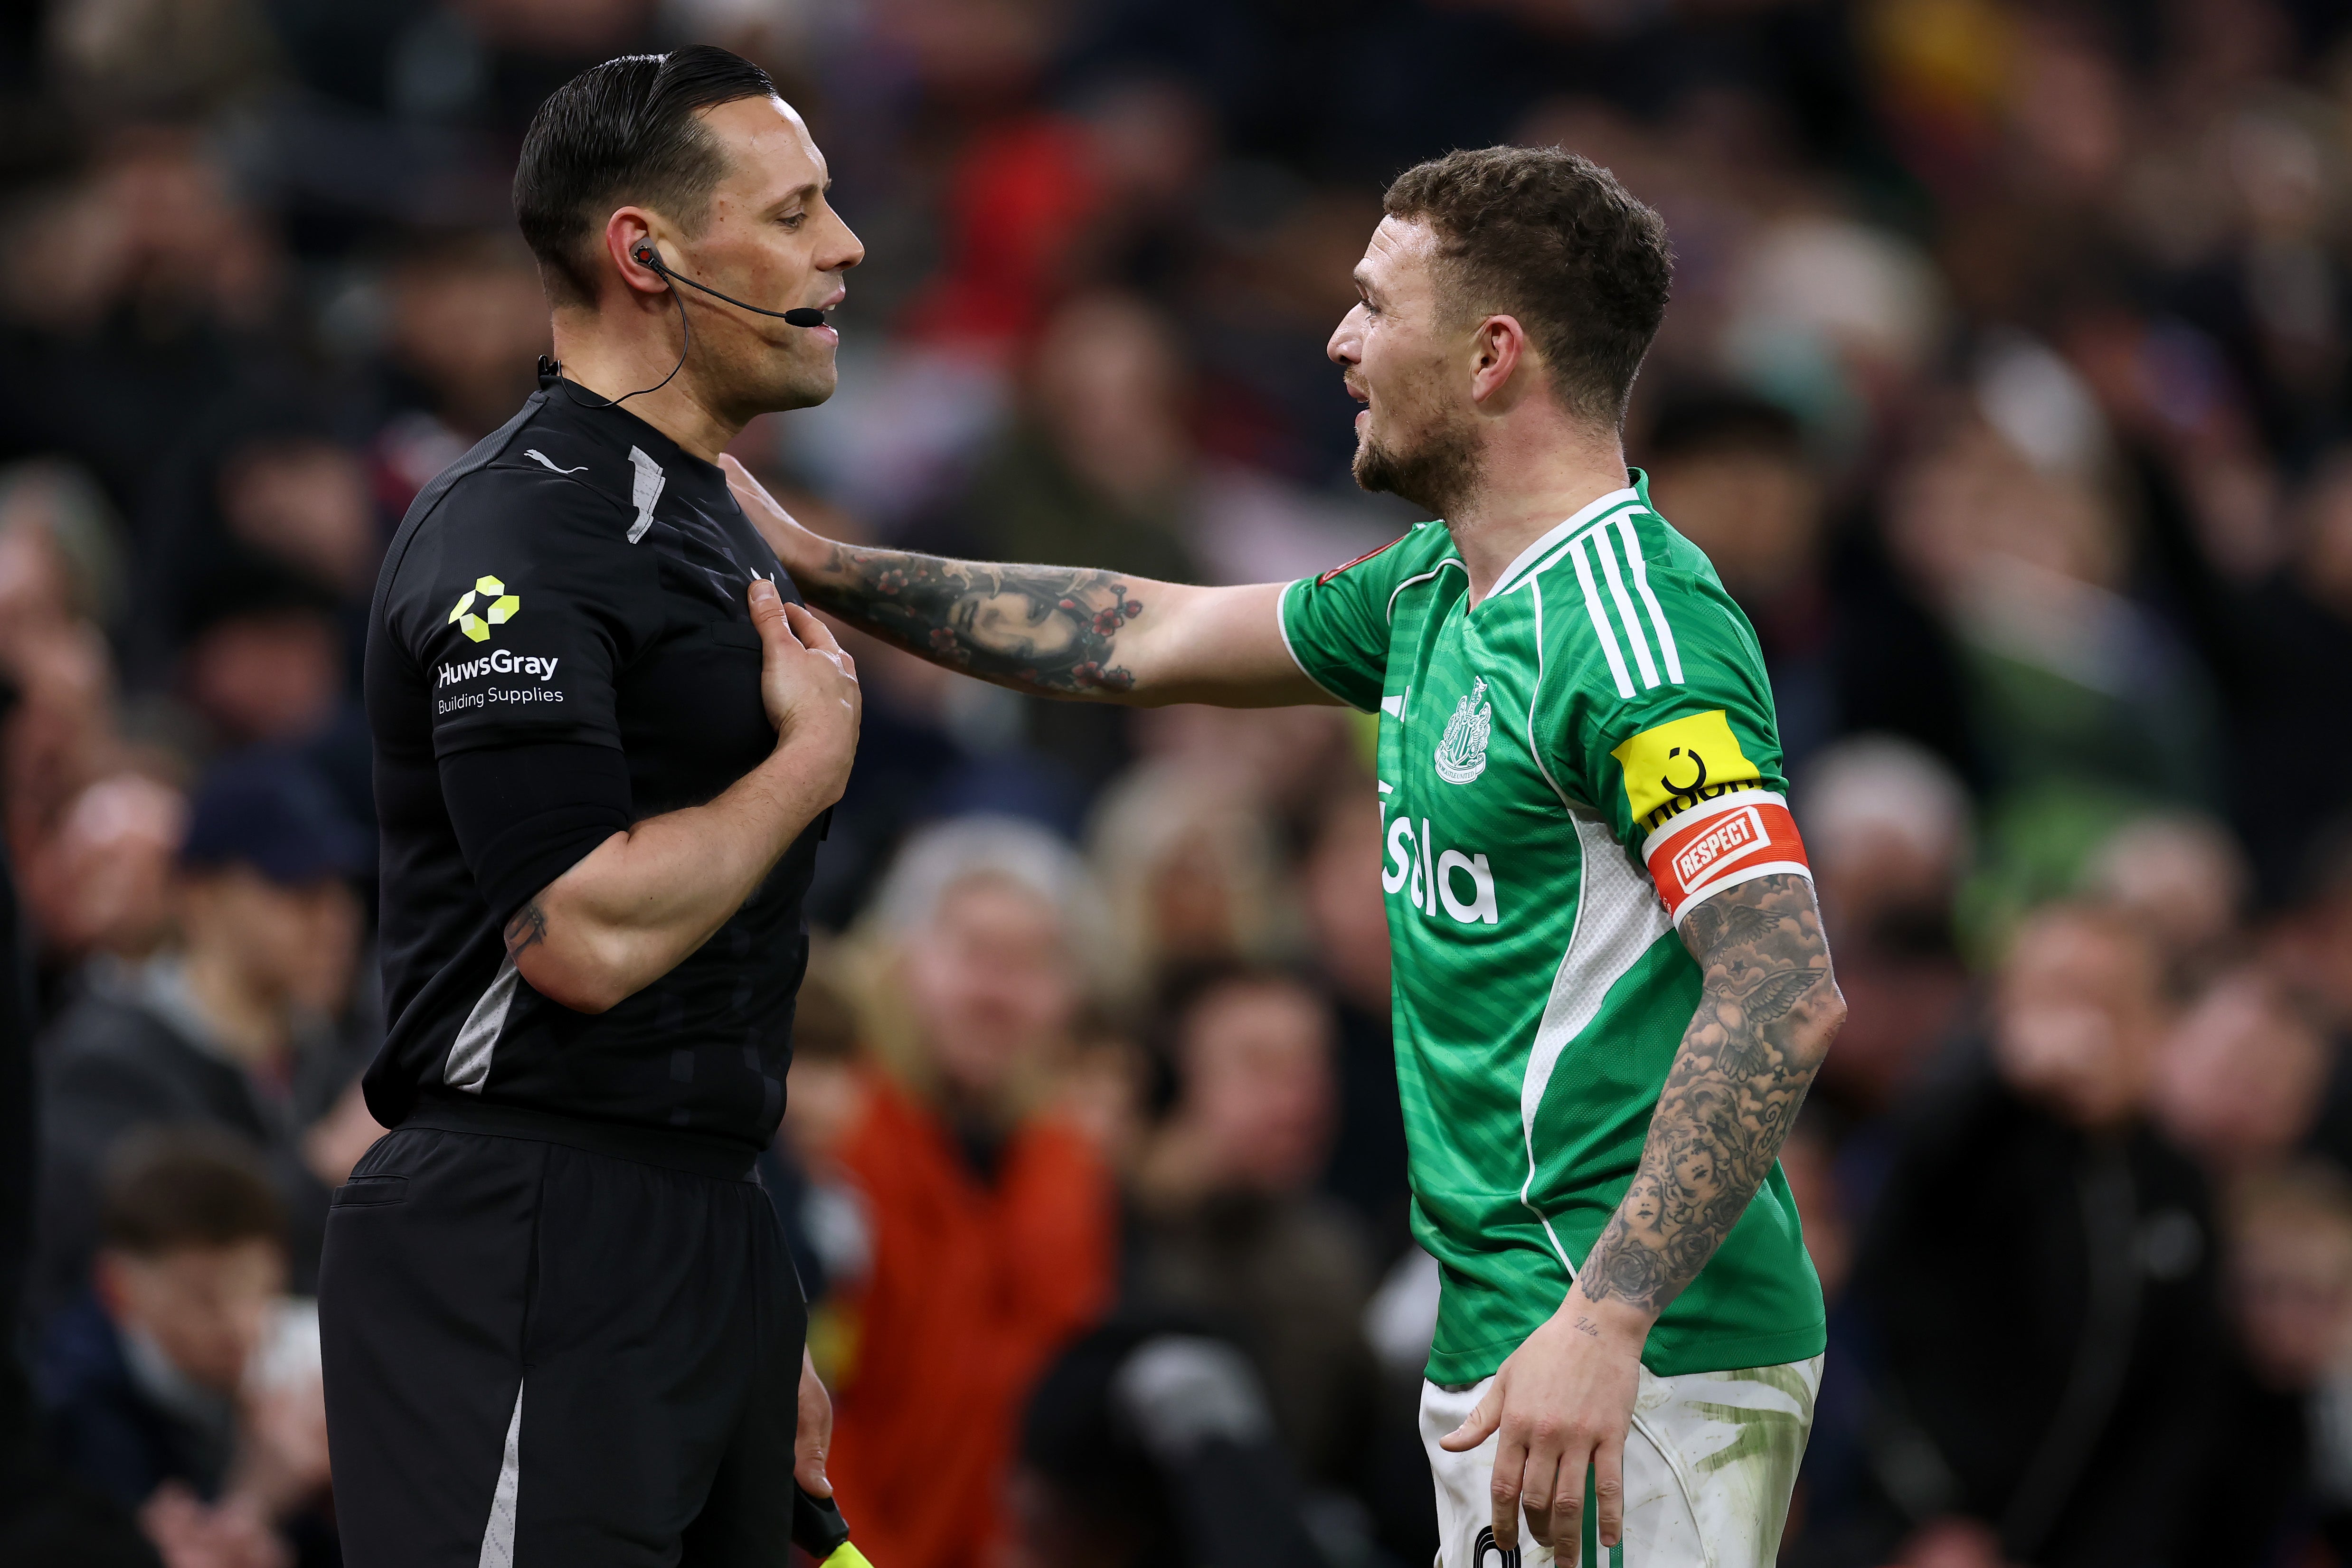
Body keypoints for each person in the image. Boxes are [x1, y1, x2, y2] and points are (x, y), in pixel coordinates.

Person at [737, 145, 1847, 1567]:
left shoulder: (1634, 635)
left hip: (1638, 1350)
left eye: (1377, 304)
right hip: (1520, 1331)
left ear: (1494, 352)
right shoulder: (1432, 589)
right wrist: (819, 565)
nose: (1338, 340)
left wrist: (1610, 1318)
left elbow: (1782, 980)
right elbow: (1136, 634)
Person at [323, 47, 863, 1568]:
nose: (847, 245)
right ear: (649, 253)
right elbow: (577, 928)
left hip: (692, 1218)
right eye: (798, 209)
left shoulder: (703, 511)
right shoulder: (528, 524)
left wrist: (742, 1291)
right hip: (522, 1233)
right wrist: (805, 768)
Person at [816, 818, 1116, 1568]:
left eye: (1029, 962)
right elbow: (818, 1417)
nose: (998, 991)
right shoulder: (837, 1149)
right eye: (975, 952)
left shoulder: (1070, 1173)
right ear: (899, 959)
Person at [34, 750, 367, 1322]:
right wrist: (324, 1168)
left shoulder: (336, 1046)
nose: (334, 919)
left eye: (340, 889)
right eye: (296, 888)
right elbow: (152, 1265)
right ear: (201, 895)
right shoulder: (106, 1064)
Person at [38, 1129, 331, 1568]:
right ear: (117, 1288)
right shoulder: (69, 1410)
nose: (240, 1323)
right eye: (203, 1298)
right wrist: (256, 1499)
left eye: (260, 1289)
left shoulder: (304, 1358)